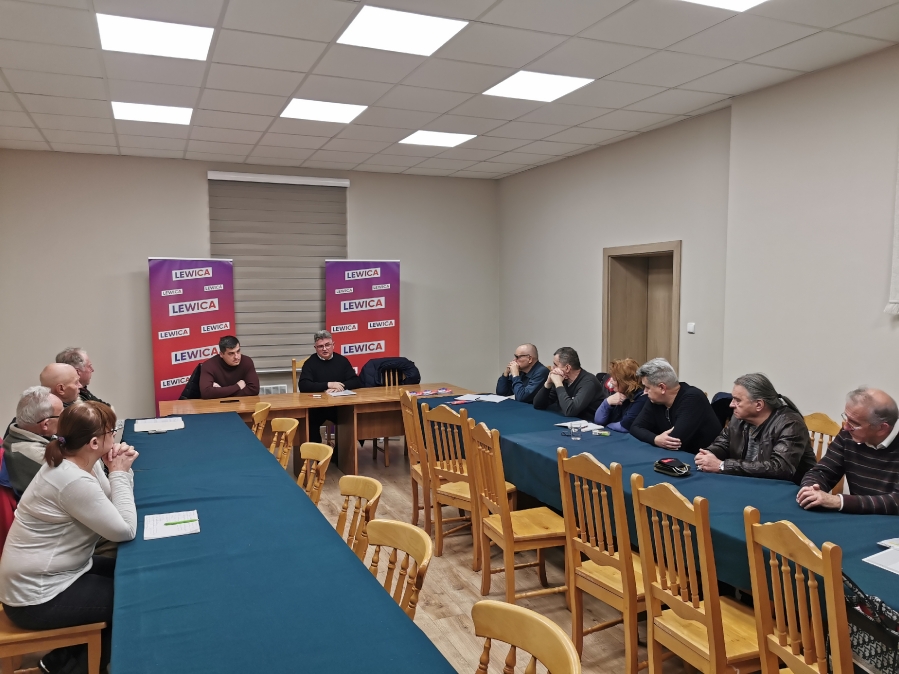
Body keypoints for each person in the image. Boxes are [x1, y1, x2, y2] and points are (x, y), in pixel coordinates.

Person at [0, 402, 138, 674]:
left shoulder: (79, 462)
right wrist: (120, 474)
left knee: (132, 574)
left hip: (56, 574)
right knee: (130, 599)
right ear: (94, 443)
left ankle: (59, 661)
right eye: (113, 431)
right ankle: (76, 667)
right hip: (35, 598)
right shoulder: (71, 479)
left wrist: (117, 471)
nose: (115, 436)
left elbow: (111, 504)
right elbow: (124, 530)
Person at [694, 373, 816, 483]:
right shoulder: (738, 418)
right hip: (749, 482)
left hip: (790, 490)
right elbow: (722, 443)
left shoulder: (791, 424)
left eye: (737, 400)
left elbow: (780, 468)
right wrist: (708, 454)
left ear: (758, 405)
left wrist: (723, 465)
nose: (731, 405)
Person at [798, 387, 899, 514]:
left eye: (854, 423)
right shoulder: (848, 434)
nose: (845, 427)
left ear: (882, 428)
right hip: (857, 517)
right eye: (846, 418)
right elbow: (823, 472)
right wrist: (810, 489)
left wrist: (839, 501)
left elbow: (896, 501)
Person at [630, 358, 721, 454]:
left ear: (662, 388)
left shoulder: (693, 398)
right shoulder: (656, 400)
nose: (644, 392)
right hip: (678, 455)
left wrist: (652, 437)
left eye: (647, 387)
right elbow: (635, 427)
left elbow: (674, 440)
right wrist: (655, 439)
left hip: (703, 458)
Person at [299, 330, 363, 443]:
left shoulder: (342, 360)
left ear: (333, 345)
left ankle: (340, 453)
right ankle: (317, 452)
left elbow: (356, 381)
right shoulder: (310, 363)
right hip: (317, 408)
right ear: (315, 348)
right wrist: (328, 384)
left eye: (327, 345)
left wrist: (340, 386)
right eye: (320, 346)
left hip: (340, 407)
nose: (325, 349)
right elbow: (304, 385)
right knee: (308, 422)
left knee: (351, 417)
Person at [0, 387, 63, 496]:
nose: (66, 419)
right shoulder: (36, 454)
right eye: (62, 415)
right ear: (46, 424)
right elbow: (80, 480)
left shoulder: (21, 435)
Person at [533, 347, 603, 421]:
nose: (553, 369)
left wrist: (558, 383)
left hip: (588, 424)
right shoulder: (563, 379)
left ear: (567, 368)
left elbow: (570, 411)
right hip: (565, 421)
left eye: (555, 365)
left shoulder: (589, 382)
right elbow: (538, 405)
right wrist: (548, 383)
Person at [593, 358, 648, 432]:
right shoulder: (619, 392)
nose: (611, 381)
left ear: (625, 382)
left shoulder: (642, 397)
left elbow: (624, 427)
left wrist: (607, 426)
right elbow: (599, 421)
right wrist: (606, 402)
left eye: (614, 379)